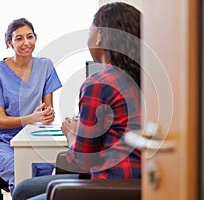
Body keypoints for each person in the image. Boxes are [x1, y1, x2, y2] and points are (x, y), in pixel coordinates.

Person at [12, 2, 141, 199]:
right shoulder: (143, 78)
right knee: (24, 189)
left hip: (111, 184)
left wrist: (72, 133)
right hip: (141, 181)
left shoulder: (100, 82)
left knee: (23, 193)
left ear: (99, 37)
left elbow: (81, 161)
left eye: (91, 31)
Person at [0, 18, 62, 193]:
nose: (26, 42)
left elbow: (46, 111)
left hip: (29, 136)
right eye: (19, 38)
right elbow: (1, 121)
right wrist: (31, 118)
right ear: (9, 43)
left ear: (36, 37)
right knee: (20, 168)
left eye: (30, 36)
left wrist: (47, 115)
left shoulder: (45, 66)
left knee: (46, 165)